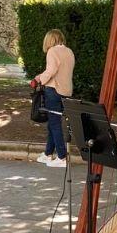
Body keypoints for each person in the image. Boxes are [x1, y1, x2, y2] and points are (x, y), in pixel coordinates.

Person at [31, 29, 76, 169]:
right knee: (53, 123)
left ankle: (62, 157)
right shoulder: (69, 51)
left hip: (54, 90)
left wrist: (39, 79)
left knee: (54, 124)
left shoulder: (52, 51)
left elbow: (51, 71)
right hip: (66, 91)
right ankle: (48, 153)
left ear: (49, 40)